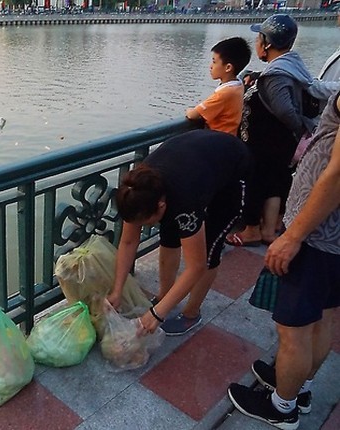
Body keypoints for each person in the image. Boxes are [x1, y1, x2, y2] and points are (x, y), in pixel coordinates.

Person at [228, 90, 340, 430]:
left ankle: (282, 406)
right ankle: (299, 387)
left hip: (320, 234)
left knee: (295, 327)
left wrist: (293, 236)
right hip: (331, 239)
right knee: (323, 317)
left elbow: (337, 175)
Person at [107, 129, 250, 336]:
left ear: (161, 206)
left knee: (210, 248)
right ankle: (165, 295)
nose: (143, 227)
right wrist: (117, 290)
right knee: (169, 235)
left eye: (146, 222)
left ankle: (192, 313)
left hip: (232, 168)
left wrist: (157, 315)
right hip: (195, 160)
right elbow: (129, 242)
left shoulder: (184, 200)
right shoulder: (136, 191)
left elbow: (196, 266)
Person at [226, 15, 340, 247]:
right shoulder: (292, 64)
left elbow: (285, 110)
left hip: (267, 143)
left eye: (259, 38)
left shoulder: (276, 74)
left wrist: (297, 128)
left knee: (257, 183)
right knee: (276, 182)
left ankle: (251, 230)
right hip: (280, 144)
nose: (256, 43)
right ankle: (270, 229)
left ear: (267, 43)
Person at [185, 37, 251, 136]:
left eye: (214, 62)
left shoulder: (224, 94)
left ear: (228, 67)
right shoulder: (238, 85)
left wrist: (188, 110)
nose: (211, 66)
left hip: (218, 140)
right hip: (230, 138)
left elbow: (192, 115)